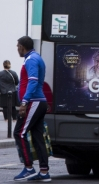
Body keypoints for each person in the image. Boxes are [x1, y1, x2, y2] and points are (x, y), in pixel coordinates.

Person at [13, 36, 51, 182]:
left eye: (18, 46)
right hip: (38, 101)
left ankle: (28, 168)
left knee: (19, 133)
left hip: (33, 102)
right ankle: (44, 172)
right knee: (37, 136)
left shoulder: (31, 60)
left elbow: (33, 81)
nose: (17, 49)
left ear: (22, 46)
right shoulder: (36, 57)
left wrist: (24, 102)